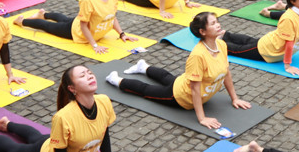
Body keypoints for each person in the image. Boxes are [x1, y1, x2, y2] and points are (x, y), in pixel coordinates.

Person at [104, 12, 250, 129]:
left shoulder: (221, 44)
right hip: (181, 96)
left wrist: (235, 98)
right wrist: (202, 118)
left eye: (217, 21)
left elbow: (226, 72)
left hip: (183, 81)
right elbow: (194, 89)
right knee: (146, 90)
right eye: (213, 23)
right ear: (202, 31)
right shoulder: (198, 55)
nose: (218, 25)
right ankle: (115, 79)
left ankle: (143, 67)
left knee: (166, 76)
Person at [0, 64, 115, 152]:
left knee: (37, 137)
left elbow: (105, 135)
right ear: (72, 88)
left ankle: (6, 124)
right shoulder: (64, 117)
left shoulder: (104, 101)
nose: (89, 76)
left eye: (90, 73)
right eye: (82, 76)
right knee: (15, 149)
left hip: (63, 142)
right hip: (47, 150)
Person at [17, 0, 136, 54]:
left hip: (78, 22)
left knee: (63, 19)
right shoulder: (88, 0)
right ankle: (22, 21)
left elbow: (112, 16)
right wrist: (94, 45)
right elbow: (83, 26)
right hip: (75, 31)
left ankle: (43, 14)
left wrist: (122, 34)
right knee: (47, 26)